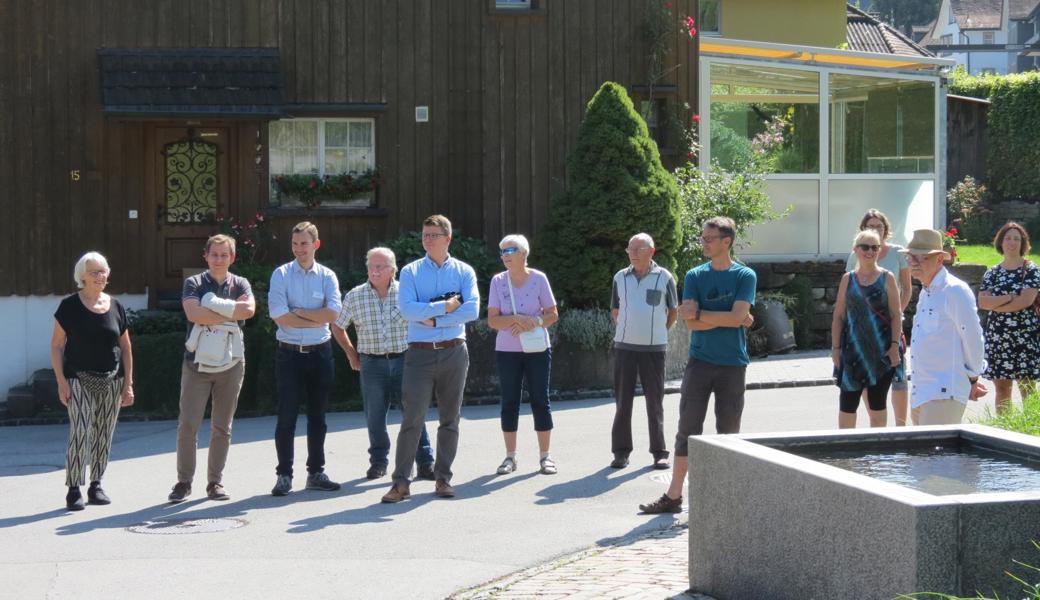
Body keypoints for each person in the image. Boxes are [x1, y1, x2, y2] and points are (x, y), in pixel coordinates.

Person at [639, 217, 755, 515]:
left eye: (709, 238)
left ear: (726, 241)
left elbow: (733, 318)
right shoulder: (694, 276)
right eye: (702, 237)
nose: (703, 242)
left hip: (732, 365)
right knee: (687, 430)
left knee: (729, 433)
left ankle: (726, 498)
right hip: (699, 363)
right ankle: (674, 496)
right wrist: (726, 316)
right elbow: (692, 323)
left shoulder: (745, 276)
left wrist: (708, 313)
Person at [381, 215, 480, 503]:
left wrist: (434, 320)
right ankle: (400, 483)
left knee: (450, 418)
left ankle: (443, 478)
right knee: (412, 418)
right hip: (420, 354)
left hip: (454, 351)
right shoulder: (411, 272)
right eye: (424, 235)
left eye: (433, 235)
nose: (427, 240)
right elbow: (409, 311)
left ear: (447, 238)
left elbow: (472, 310)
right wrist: (445, 306)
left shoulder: (464, 272)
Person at [332, 247, 436, 481]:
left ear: (393, 270)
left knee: (414, 412)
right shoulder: (355, 296)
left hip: (405, 360)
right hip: (371, 364)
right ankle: (379, 461)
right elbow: (337, 326)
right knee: (375, 415)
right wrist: (351, 353)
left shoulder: (407, 294)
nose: (375, 271)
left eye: (380, 267)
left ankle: (425, 462)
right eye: (371, 266)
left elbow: (428, 322)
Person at [167, 234, 256, 503]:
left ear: (232, 257)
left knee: (222, 426)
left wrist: (212, 308)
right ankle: (184, 482)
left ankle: (215, 483)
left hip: (231, 364)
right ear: (205, 256)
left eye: (224, 255)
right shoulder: (193, 282)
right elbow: (193, 314)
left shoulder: (240, 282)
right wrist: (231, 313)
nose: (219, 259)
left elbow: (249, 311)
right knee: (188, 425)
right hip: (197, 365)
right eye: (214, 254)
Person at [50, 252, 134, 511]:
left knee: (103, 433)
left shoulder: (116, 306)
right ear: (82, 276)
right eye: (94, 272)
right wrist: (61, 382)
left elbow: (126, 347)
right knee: (81, 429)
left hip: (111, 379)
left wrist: (128, 383)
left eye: (103, 271)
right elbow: (56, 346)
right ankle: (74, 488)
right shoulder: (69, 306)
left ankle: (96, 485)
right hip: (78, 377)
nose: (100, 276)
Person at [268, 222, 343, 496]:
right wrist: (314, 315)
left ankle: (316, 473)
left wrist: (297, 313)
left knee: (318, 418)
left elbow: (333, 314)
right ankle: (284, 475)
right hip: (288, 355)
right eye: (295, 244)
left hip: (320, 353)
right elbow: (278, 313)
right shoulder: (281, 274)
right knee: (286, 417)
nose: (299, 249)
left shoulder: (327, 276)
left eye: (304, 244)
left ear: (316, 245)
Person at [486, 234, 560, 475]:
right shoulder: (498, 281)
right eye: (502, 251)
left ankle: (546, 456)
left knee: (541, 399)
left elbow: (552, 314)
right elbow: (493, 321)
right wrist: (516, 319)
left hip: (537, 348)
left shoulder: (539, 279)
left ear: (524, 254)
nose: (505, 256)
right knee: (509, 401)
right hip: (507, 350)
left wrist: (534, 322)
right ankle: (510, 457)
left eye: (510, 250)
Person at [902, 229, 988, 425]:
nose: (913, 263)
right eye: (910, 257)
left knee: (936, 454)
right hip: (921, 391)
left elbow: (973, 338)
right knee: (923, 454)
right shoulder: (927, 291)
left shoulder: (954, 290)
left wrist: (973, 378)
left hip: (943, 391)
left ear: (939, 259)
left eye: (921, 258)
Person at [608, 233, 679, 470]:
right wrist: (628, 331)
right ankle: (621, 452)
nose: (634, 253)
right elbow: (615, 310)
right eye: (630, 249)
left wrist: (658, 332)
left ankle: (659, 452)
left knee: (655, 402)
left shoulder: (664, 277)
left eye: (639, 249)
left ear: (652, 251)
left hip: (653, 349)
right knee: (622, 402)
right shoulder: (620, 277)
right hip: (624, 348)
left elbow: (673, 312)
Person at [845, 209, 912, 425]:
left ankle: (900, 426)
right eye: (870, 226)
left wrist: (894, 317)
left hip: (891, 327)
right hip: (864, 330)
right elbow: (849, 292)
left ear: (886, 230)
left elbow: (907, 289)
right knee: (868, 376)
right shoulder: (854, 256)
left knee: (899, 378)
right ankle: (876, 420)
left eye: (879, 226)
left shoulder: (898, 254)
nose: (875, 230)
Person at [832, 229, 903, 429]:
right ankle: (847, 455)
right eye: (865, 247)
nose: (869, 251)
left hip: (880, 352)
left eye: (875, 247)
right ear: (855, 249)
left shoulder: (887, 278)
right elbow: (838, 316)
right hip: (852, 351)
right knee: (847, 404)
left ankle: (876, 453)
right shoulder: (848, 279)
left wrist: (894, 346)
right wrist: (835, 349)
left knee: (878, 405)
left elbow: (896, 315)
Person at [977, 222, 1039, 413]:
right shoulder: (993, 272)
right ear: (1001, 242)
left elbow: (1026, 301)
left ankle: (1032, 431)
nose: (1012, 242)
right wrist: (1010, 297)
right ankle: (1005, 430)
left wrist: (998, 304)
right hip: (999, 337)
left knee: (1027, 388)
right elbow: (982, 303)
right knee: (1002, 389)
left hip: (1025, 337)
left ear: (1023, 243)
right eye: (1008, 238)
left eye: (1016, 239)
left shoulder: (1031, 269)